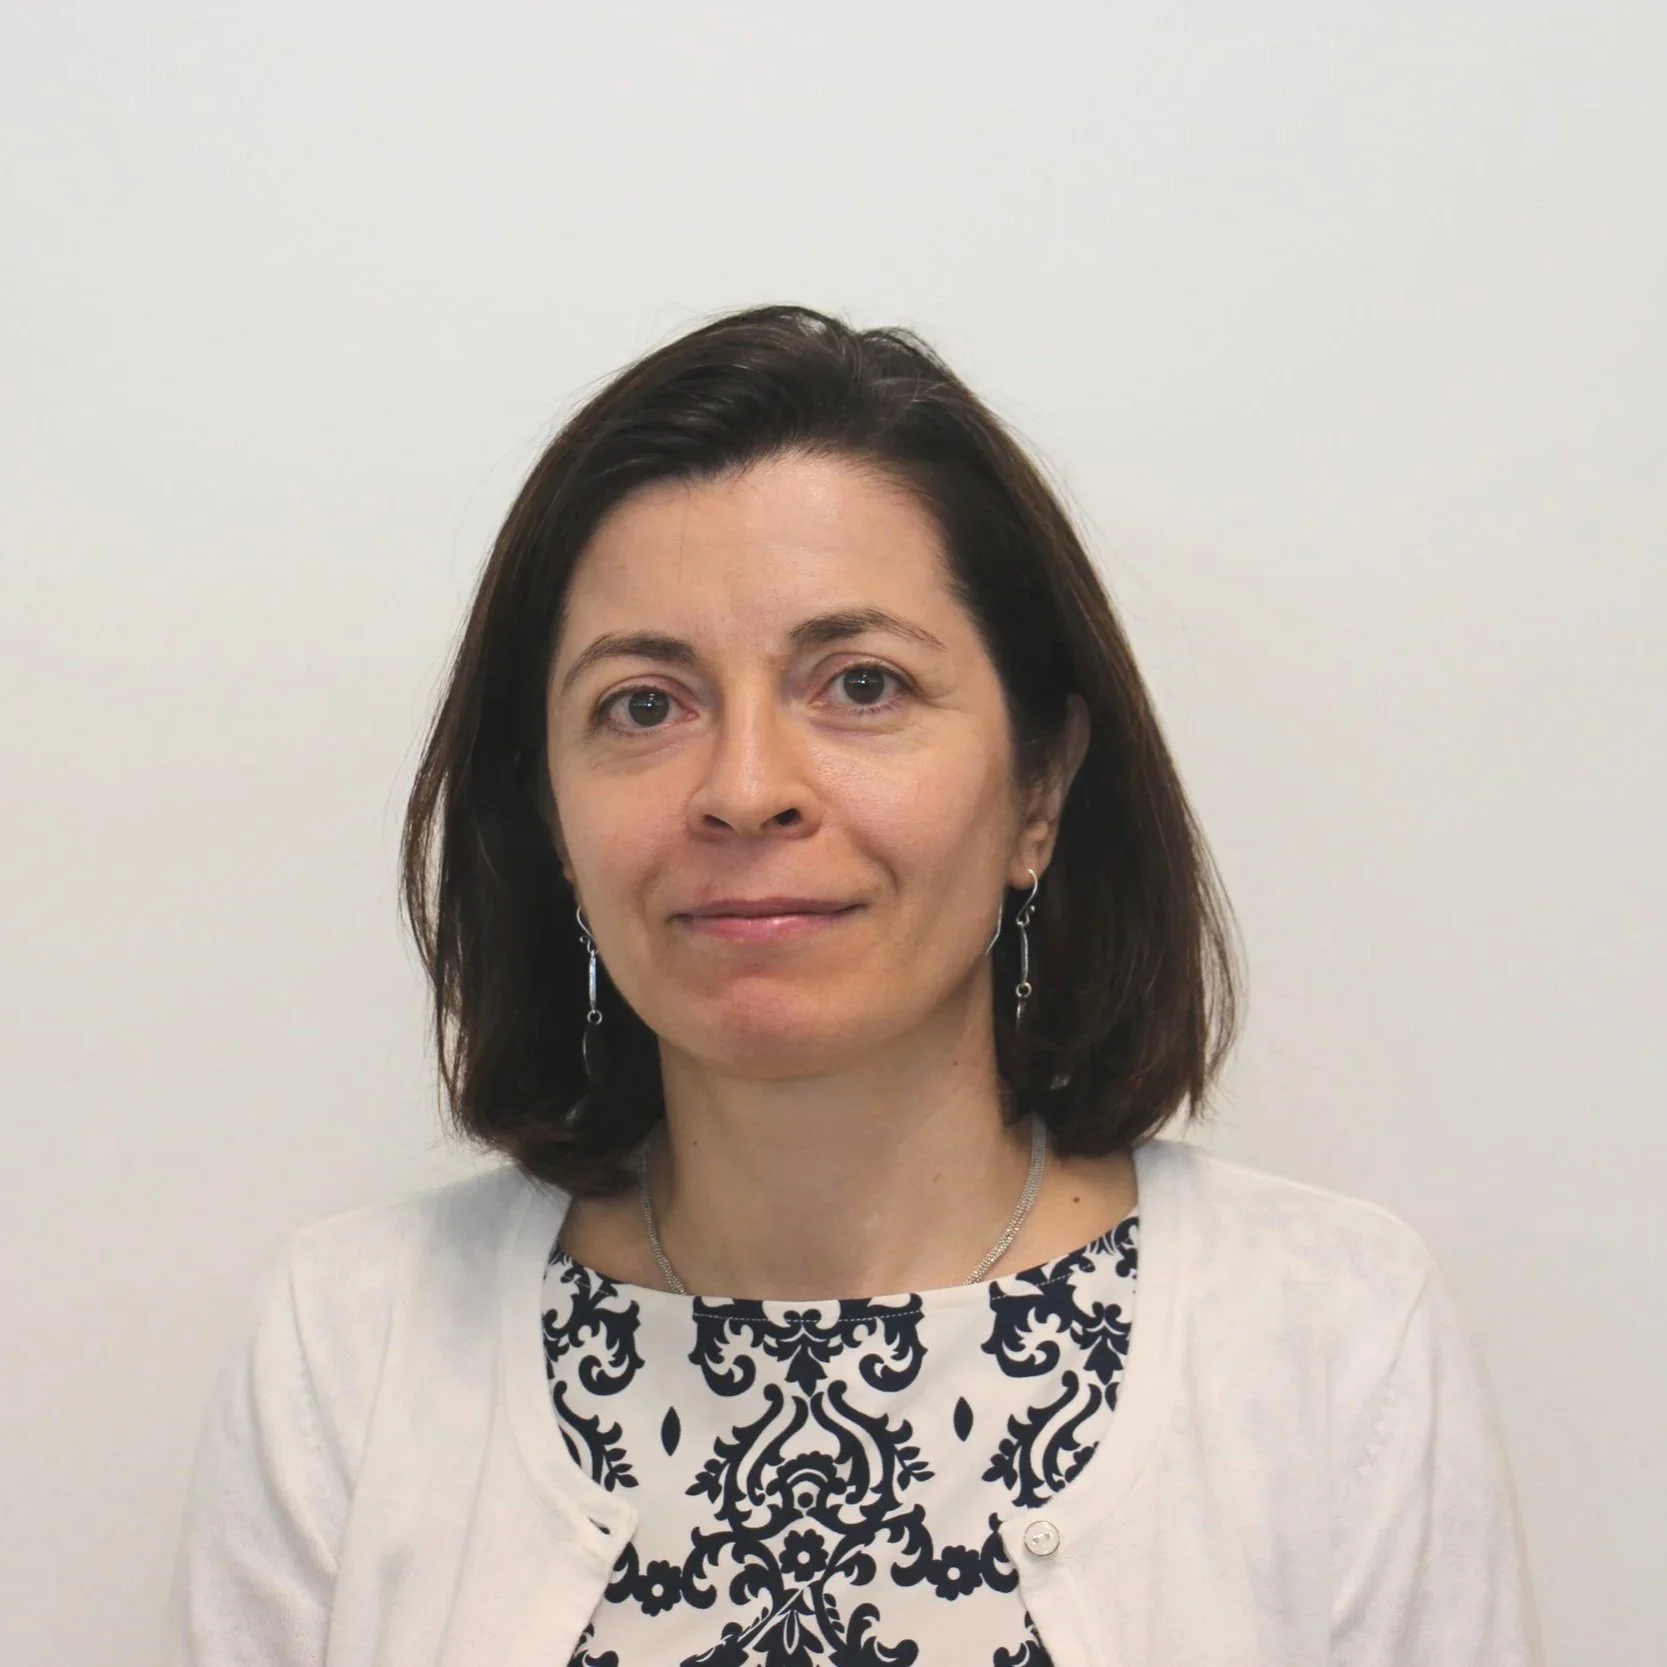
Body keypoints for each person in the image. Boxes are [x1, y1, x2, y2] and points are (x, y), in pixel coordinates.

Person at [160, 304, 1543, 1666]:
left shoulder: (1335, 1347)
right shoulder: (349, 1350)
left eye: (861, 684)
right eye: (643, 704)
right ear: (550, 814)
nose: (746, 789)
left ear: (1040, 785)